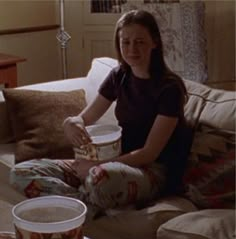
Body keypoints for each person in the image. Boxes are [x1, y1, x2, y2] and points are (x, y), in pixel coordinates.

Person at [10, 10, 192, 215]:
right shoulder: (119, 76)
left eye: (140, 41)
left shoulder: (169, 88)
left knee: (100, 179)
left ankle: (83, 200)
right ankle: (83, 204)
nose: (132, 49)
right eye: (126, 42)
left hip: (153, 170)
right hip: (111, 164)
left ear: (155, 42)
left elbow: (150, 153)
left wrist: (96, 166)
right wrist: (72, 122)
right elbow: (87, 116)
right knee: (21, 173)